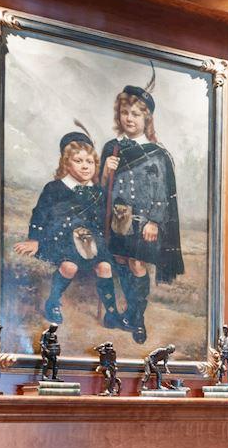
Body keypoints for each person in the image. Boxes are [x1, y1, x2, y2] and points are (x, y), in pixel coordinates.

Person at [14, 130, 123, 329]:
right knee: (69, 266)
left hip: (91, 241)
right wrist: (34, 239)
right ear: (66, 163)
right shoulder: (54, 188)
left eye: (89, 162)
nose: (85, 166)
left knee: (105, 267)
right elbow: (40, 214)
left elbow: (102, 220)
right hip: (60, 239)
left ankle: (112, 312)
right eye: (78, 161)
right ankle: (53, 302)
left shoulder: (98, 192)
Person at [102, 84, 186, 345]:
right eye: (125, 112)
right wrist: (105, 170)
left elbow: (162, 192)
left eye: (136, 114)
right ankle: (125, 313)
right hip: (117, 220)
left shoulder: (157, 154)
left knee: (137, 264)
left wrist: (154, 221)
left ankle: (137, 317)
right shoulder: (111, 148)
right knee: (120, 260)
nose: (129, 118)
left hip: (144, 224)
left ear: (146, 118)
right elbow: (102, 189)